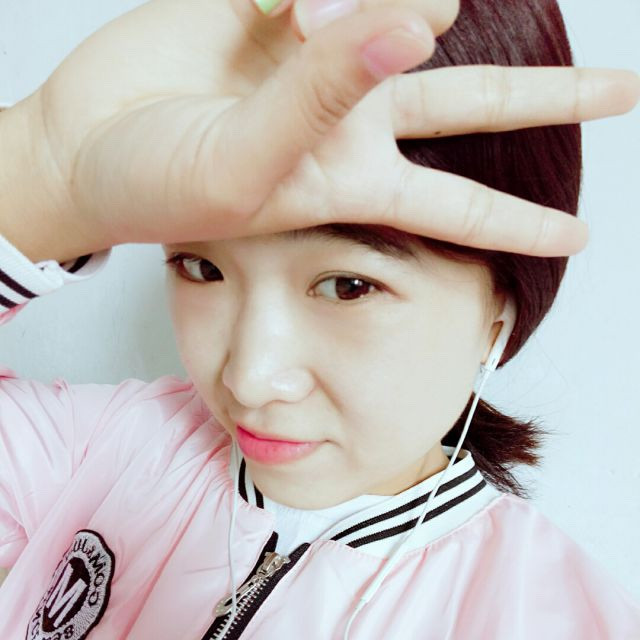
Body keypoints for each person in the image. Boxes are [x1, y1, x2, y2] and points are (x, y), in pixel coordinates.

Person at [0, 0, 639, 638]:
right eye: (202, 267)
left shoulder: (544, 616)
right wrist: (43, 169)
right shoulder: (100, 449)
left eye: (347, 286)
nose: (250, 380)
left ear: (498, 312)